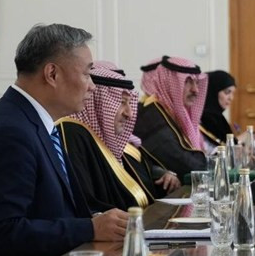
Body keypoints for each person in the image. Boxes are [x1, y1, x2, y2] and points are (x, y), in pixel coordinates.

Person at [0, 24, 127, 256]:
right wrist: (90, 228)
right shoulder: (12, 130)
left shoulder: (35, 123)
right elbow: (3, 230)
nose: (92, 87)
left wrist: (97, 220)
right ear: (52, 74)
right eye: (87, 74)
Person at [57, 66, 179, 211]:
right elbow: (88, 204)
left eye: (129, 103)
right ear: (98, 102)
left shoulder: (103, 141)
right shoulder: (72, 134)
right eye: (121, 102)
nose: (129, 114)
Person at [133, 56, 208, 176]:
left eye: (196, 82)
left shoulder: (170, 112)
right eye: (187, 82)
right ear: (168, 83)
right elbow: (187, 165)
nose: (195, 90)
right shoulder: (151, 116)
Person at [200, 70, 237, 150]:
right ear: (213, 91)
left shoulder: (218, 117)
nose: (231, 98)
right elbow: (224, 146)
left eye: (233, 93)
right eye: (227, 92)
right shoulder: (206, 118)